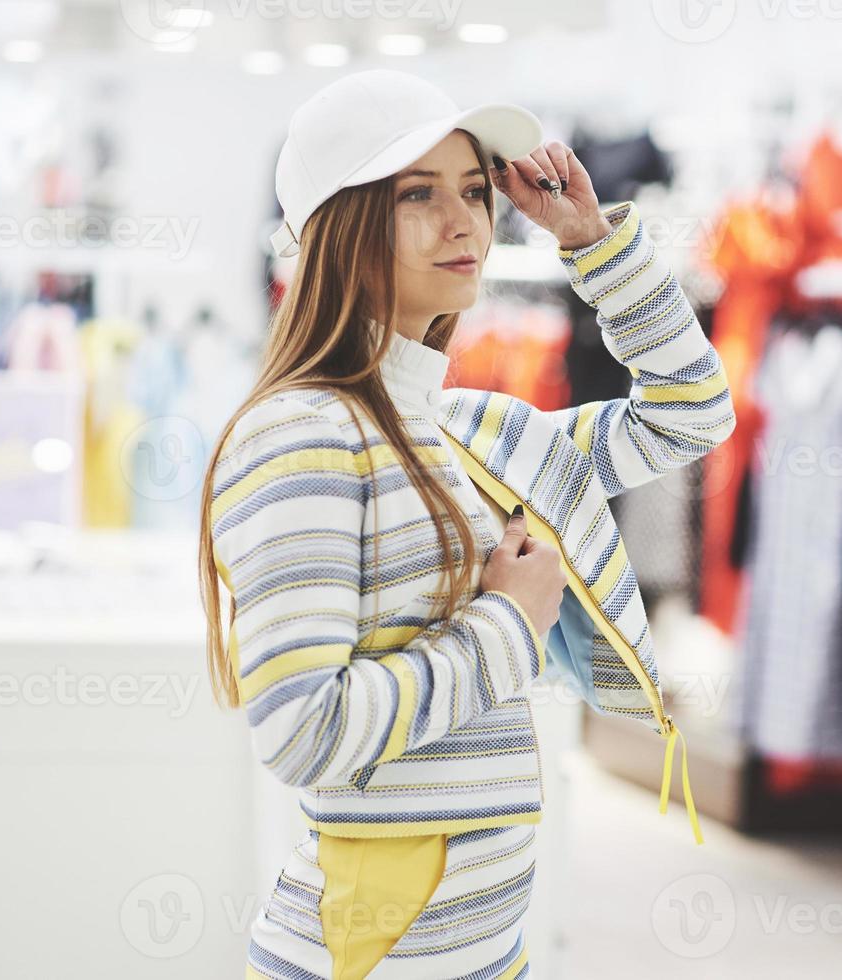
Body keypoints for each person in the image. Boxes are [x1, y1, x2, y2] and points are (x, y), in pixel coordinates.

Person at [198, 69, 735, 979]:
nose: (466, 223)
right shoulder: (305, 434)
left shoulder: (471, 432)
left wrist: (592, 242)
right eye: (420, 194)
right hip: (372, 957)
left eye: (477, 192)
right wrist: (509, 623)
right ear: (339, 225)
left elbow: (691, 411)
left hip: (479, 949)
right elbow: (303, 734)